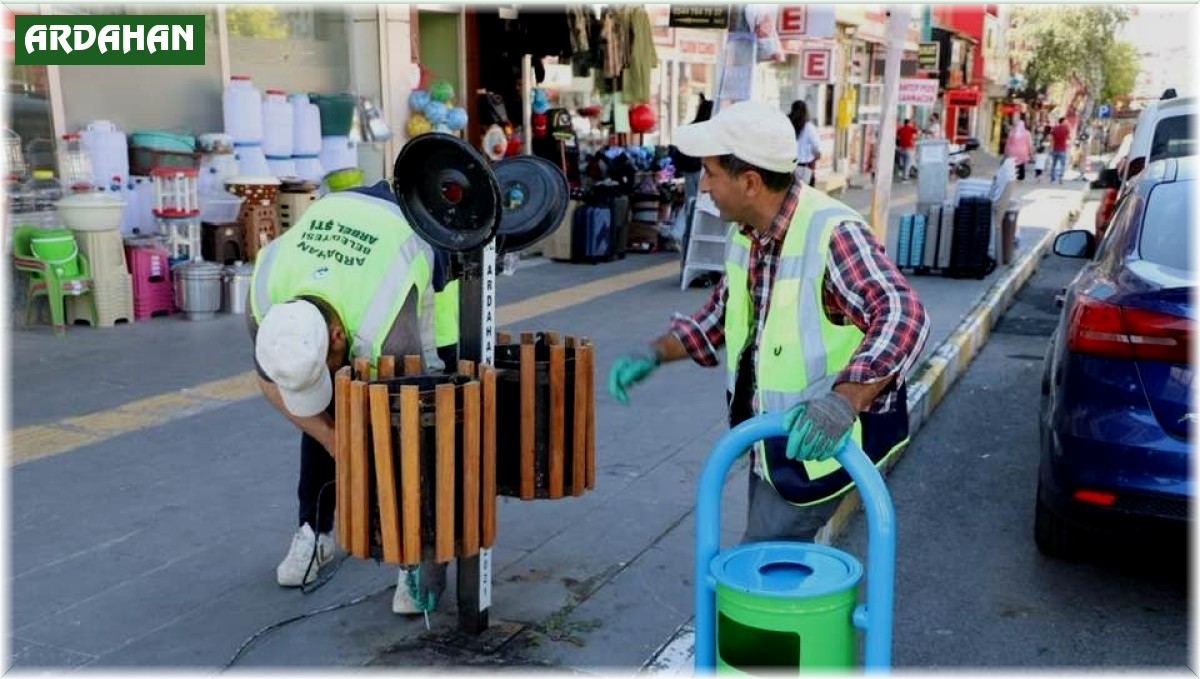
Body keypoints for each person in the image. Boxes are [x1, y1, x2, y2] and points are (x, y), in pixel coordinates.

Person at [607, 101, 929, 544]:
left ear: (750, 182)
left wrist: (843, 401)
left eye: (711, 174)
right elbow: (719, 317)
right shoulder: (747, 235)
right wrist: (655, 353)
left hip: (820, 445)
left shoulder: (831, 233)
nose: (704, 186)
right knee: (770, 563)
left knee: (761, 566)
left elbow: (904, 314)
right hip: (773, 442)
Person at [247, 179, 457, 616]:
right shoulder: (266, 301)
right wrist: (332, 438)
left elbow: (411, 425)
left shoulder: (390, 331)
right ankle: (315, 532)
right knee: (326, 407)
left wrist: (378, 469)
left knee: (432, 419)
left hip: (419, 241)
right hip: (341, 221)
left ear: (339, 335)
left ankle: (422, 555)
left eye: (326, 363)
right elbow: (270, 381)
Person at [788, 100, 821, 187]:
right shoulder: (809, 127)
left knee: (792, 190)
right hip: (806, 167)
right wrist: (817, 155)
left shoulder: (788, 125)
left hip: (790, 166)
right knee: (806, 191)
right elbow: (816, 149)